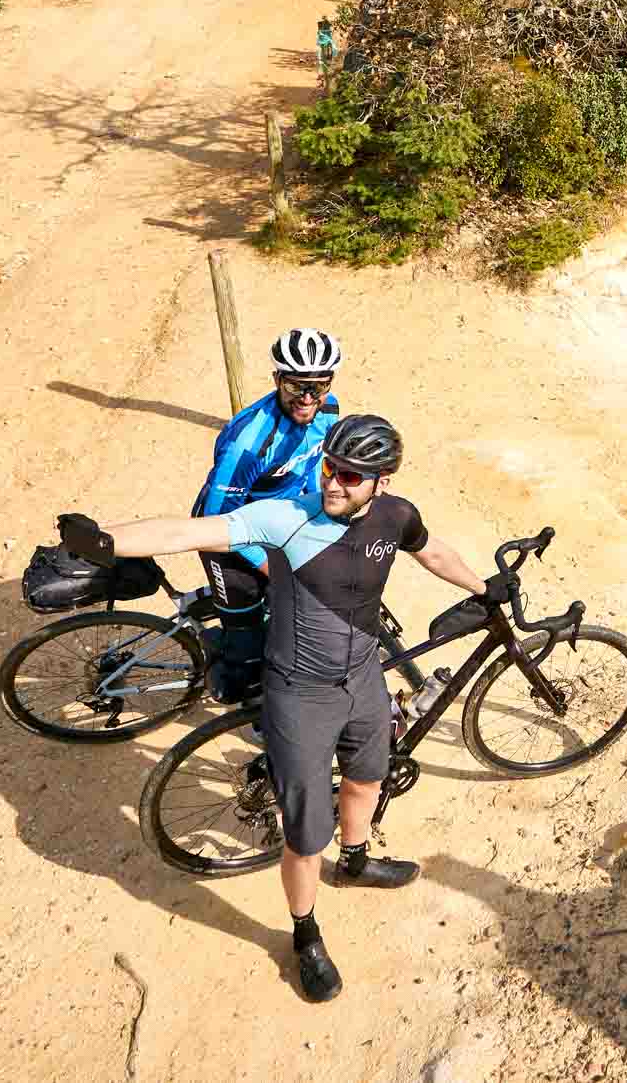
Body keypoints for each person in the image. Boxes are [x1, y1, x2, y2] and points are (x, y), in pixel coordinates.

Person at [58, 414, 501, 1003]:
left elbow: (433, 552)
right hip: (300, 694)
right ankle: (305, 933)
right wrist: (106, 540)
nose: (333, 484)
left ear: (383, 482)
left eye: (350, 475)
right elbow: (189, 532)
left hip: (362, 678)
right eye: (330, 469)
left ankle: (357, 858)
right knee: (304, 835)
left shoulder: (397, 517)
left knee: (368, 779)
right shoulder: (288, 518)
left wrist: (480, 587)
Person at [192, 328, 342, 700]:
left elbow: (312, 466)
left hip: (276, 520)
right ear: (276, 379)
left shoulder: (330, 407)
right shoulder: (249, 442)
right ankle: (243, 691)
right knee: (247, 645)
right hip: (225, 532)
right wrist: (272, 567)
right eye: (295, 387)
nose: (308, 399)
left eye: (318, 386)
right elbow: (218, 519)